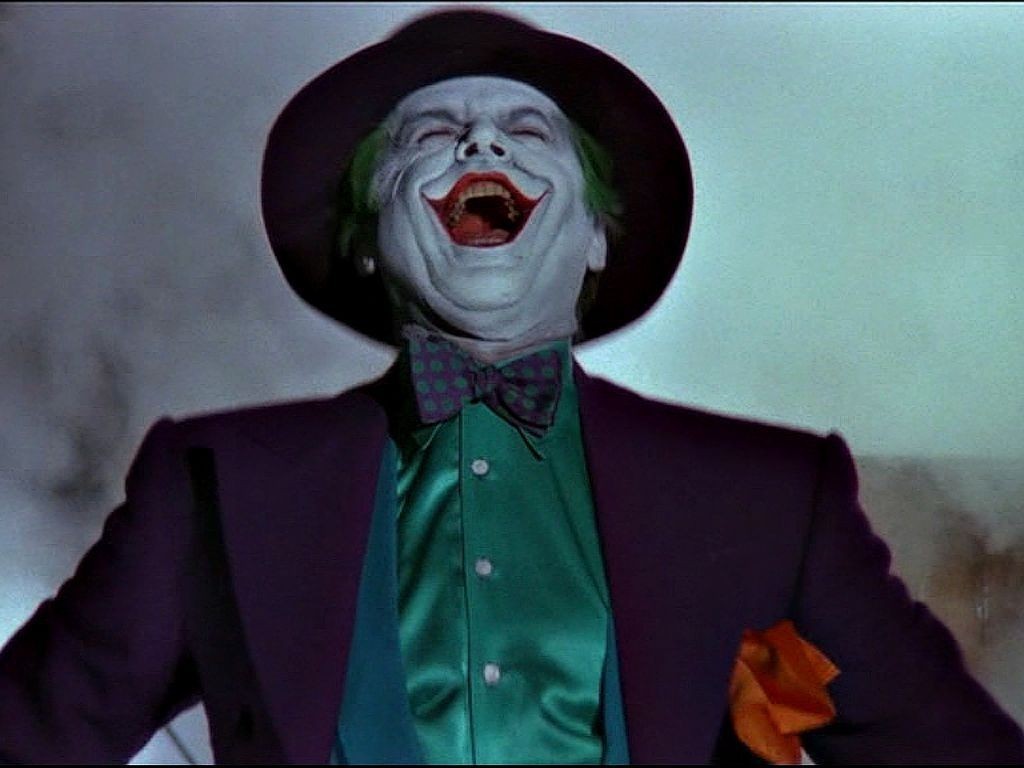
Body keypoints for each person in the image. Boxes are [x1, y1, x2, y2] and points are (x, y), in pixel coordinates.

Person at [1, 9, 1021, 765]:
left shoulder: (773, 499)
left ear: (594, 237)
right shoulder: (211, 483)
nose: (478, 142)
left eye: (527, 132)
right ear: (366, 240)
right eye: (426, 135)